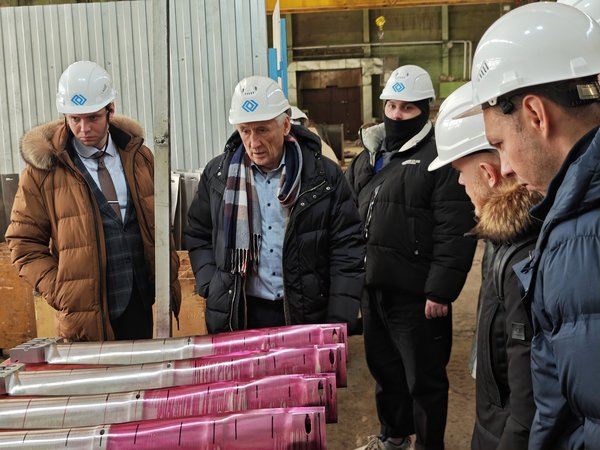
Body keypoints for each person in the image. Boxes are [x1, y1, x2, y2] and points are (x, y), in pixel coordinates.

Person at [468, 3, 600, 448]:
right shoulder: (571, 211)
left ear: (536, 115)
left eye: (501, 143)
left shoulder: (581, 235)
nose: (503, 167)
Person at [346, 65, 477, 450]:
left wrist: (441, 290)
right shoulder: (369, 156)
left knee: (424, 379)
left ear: (425, 110)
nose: (397, 115)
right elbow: (349, 216)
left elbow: (455, 226)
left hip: (418, 297)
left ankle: (429, 445)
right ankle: (394, 437)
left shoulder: (439, 158)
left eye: (407, 108)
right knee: (385, 370)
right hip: (374, 288)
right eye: (392, 106)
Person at [5, 60, 181, 341]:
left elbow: (159, 226)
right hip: (84, 317)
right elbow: (23, 243)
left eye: (93, 118)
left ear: (111, 110)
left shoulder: (139, 157)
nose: (83, 128)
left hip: (140, 305)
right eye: (75, 119)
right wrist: (62, 291)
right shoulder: (42, 173)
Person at [184, 75, 364, 333]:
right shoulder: (218, 176)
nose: (253, 142)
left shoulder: (322, 176)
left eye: (262, 130)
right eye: (245, 131)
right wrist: (212, 285)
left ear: (285, 125)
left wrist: (339, 316)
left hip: (306, 313)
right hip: (239, 312)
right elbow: (198, 232)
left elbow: (347, 246)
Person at [430, 82, 542, 450]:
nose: (459, 181)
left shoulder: (522, 254)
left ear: (488, 173)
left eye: (460, 171)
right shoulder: (503, 236)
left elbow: (526, 400)